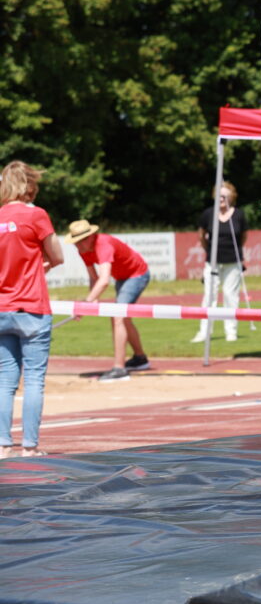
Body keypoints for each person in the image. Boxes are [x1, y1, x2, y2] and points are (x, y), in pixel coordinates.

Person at [0, 161, 63, 458]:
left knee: (4, 380)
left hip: (2, 307)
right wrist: (42, 264)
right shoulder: (36, 215)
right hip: (33, 306)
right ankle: (30, 446)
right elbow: (58, 255)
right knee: (34, 379)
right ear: (29, 185)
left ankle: (2, 445)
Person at [65, 220, 151, 381]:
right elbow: (94, 277)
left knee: (117, 316)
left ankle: (119, 369)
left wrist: (85, 304)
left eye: (82, 240)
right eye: (76, 241)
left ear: (91, 236)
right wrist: (93, 299)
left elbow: (104, 280)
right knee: (123, 318)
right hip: (122, 278)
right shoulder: (83, 250)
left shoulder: (103, 245)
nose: (78, 245)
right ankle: (140, 358)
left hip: (137, 275)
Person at [192, 181, 248, 343]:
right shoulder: (208, 214)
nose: (221, 198)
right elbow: (202, 235)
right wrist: (209, 251)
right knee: (209, 296)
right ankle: (204, 332)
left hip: (233, 262)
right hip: (213, 262)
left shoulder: (239, 215)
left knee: (231, 296)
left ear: (231, 197)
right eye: (219, 196)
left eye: (224, 196)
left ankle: (231, 331)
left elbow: (243, 237)